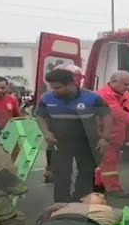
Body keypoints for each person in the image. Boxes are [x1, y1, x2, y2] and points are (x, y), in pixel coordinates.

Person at [35, 68, 112, 202]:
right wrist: (46, 132)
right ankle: (61, 203)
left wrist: (105, 137)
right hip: (60, 142)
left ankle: (81, 200)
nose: (54, 91)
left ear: (71, 84)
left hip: (87, 141)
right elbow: (40, 116)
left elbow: (107, 115)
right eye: (52, 87)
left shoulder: (92, 97)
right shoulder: (46, 98)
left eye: (58, 87)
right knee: (61, 173)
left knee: (86, 172)